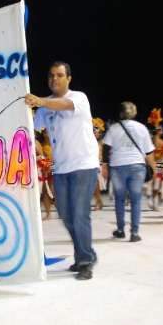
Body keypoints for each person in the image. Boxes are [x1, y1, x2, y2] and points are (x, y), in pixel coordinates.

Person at [26, 61, 100, 280]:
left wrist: (39, 101)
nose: (54, 79)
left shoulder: (78, 98)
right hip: (60, 168)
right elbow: (33, 128)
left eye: (59, 75)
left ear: (68, 78)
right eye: (51, 76)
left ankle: (84, 260)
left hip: (83, 164)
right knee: (67, 216)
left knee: (79, 214)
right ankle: (86, 253)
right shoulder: (44, 106)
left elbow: (64, 105)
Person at [101, 102, 155, 241]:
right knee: (136, 200)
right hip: (137, 166)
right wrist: (153, 168)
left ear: (120, 113)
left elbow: (106, 148)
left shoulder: (113, 128)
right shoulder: (142, 128)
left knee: (119, 199)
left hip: (118, 166)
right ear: (134, 113)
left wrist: (105, 165)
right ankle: (134, 233)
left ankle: (120, 230)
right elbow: (149, 152)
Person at [92, 117, 106, 211]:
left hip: (98, 165)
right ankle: (99, 201)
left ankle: (99, 201)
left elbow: (104, 155)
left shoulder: (101, 143)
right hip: (92, 164)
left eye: (96, 131)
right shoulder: (90, 142)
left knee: (95, 185)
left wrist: (105, 165)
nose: (95, 133)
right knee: (93, 185)